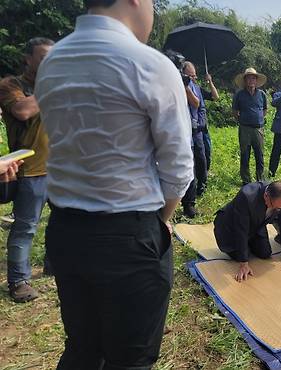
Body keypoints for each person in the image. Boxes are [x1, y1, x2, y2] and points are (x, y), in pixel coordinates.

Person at [35, 1, 194, 368]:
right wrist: (162, 219)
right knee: (130, 358)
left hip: (66, 232)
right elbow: (178, 167)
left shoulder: (53, 62)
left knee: (82, 347)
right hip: (129, 237)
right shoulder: (149, 64)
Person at [0, 37, 53, 303]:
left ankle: (54, 265)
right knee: (26, 227)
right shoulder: (12, 85)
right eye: (44, 58)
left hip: (59, 169)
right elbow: (22, 111)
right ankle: (19, 281)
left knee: (62, 221)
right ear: (28, 59)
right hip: (29, 170)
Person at [213, 181, 281, 282]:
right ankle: (243, 250)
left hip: (256, 225)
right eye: (275, 207)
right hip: (230, 228)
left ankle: (248, 245)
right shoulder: (246, 196)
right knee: (240, 256)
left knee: (265, 253)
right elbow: (240, 230)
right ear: (266, 195)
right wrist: (243, 263)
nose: (278, 210)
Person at [180, 61, 218, 217]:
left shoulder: (196, 88)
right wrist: (184, 85)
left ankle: (201, 186)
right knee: (189, 165)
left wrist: (209, 81)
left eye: (194, 75)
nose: (193, 78)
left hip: (198, 132)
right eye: (190, 75)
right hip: (184, 132)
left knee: (202, 159)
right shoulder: (178, 87)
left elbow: (209, 99)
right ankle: (188, 201)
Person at [232, 67, 268, 185]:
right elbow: (235, 111)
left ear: (256, 80)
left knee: (259, 155)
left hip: (258, 129)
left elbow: (264, 109)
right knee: (245, 154)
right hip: (245, 129)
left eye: (253, 78)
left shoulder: (261, 94)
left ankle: (260, 179)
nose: (251, 80)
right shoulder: (239, 94)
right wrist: (243, 120)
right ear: (245, 80)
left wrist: (259, 119)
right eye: (249, 78)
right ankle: (246, 181)